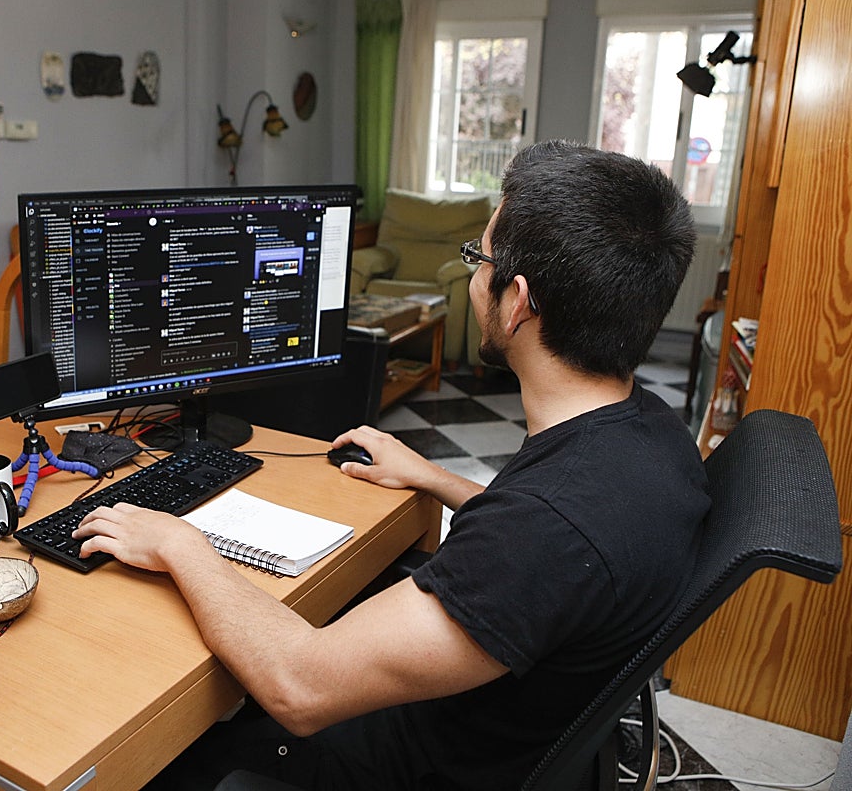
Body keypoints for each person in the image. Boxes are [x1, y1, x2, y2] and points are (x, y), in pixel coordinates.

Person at [73, 140, 711, 789]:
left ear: (517, 302)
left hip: (404, 762)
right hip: (499, 728)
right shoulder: (654, 436)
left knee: (170, 752)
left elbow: (299, 685)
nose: (472, 277)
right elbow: (550, 543)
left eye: (478, 258)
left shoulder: (545, 533)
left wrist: (182, 543)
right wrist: (434, 478)